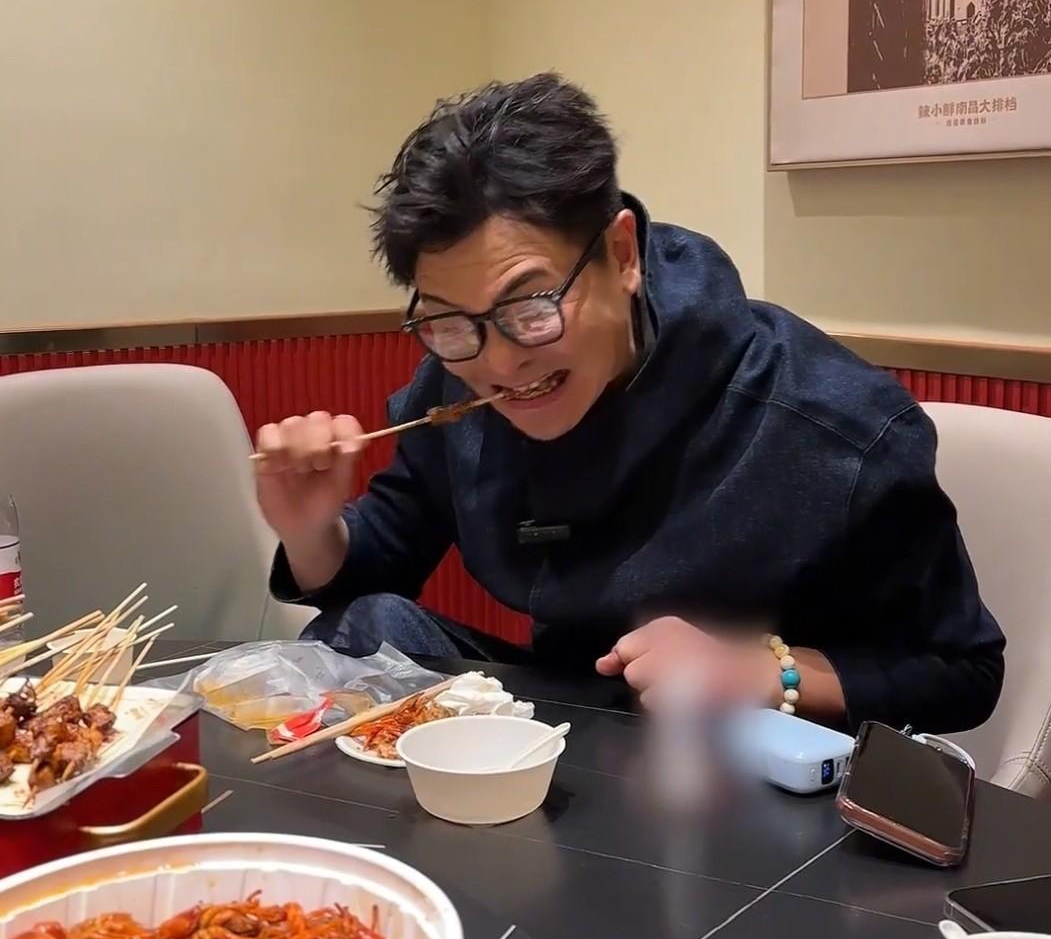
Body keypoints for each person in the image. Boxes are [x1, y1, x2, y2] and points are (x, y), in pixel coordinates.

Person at [255, 74, 1004, 735]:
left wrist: (755, 671)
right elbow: (381, 564)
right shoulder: (460, 383)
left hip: (749, 757)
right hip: (567, 723)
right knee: (363, 634)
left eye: (530, 306)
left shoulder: (828, 425)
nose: (501, 364)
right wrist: (312, 529)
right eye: (450, 322)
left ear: (622, 255)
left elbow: (958, 671)